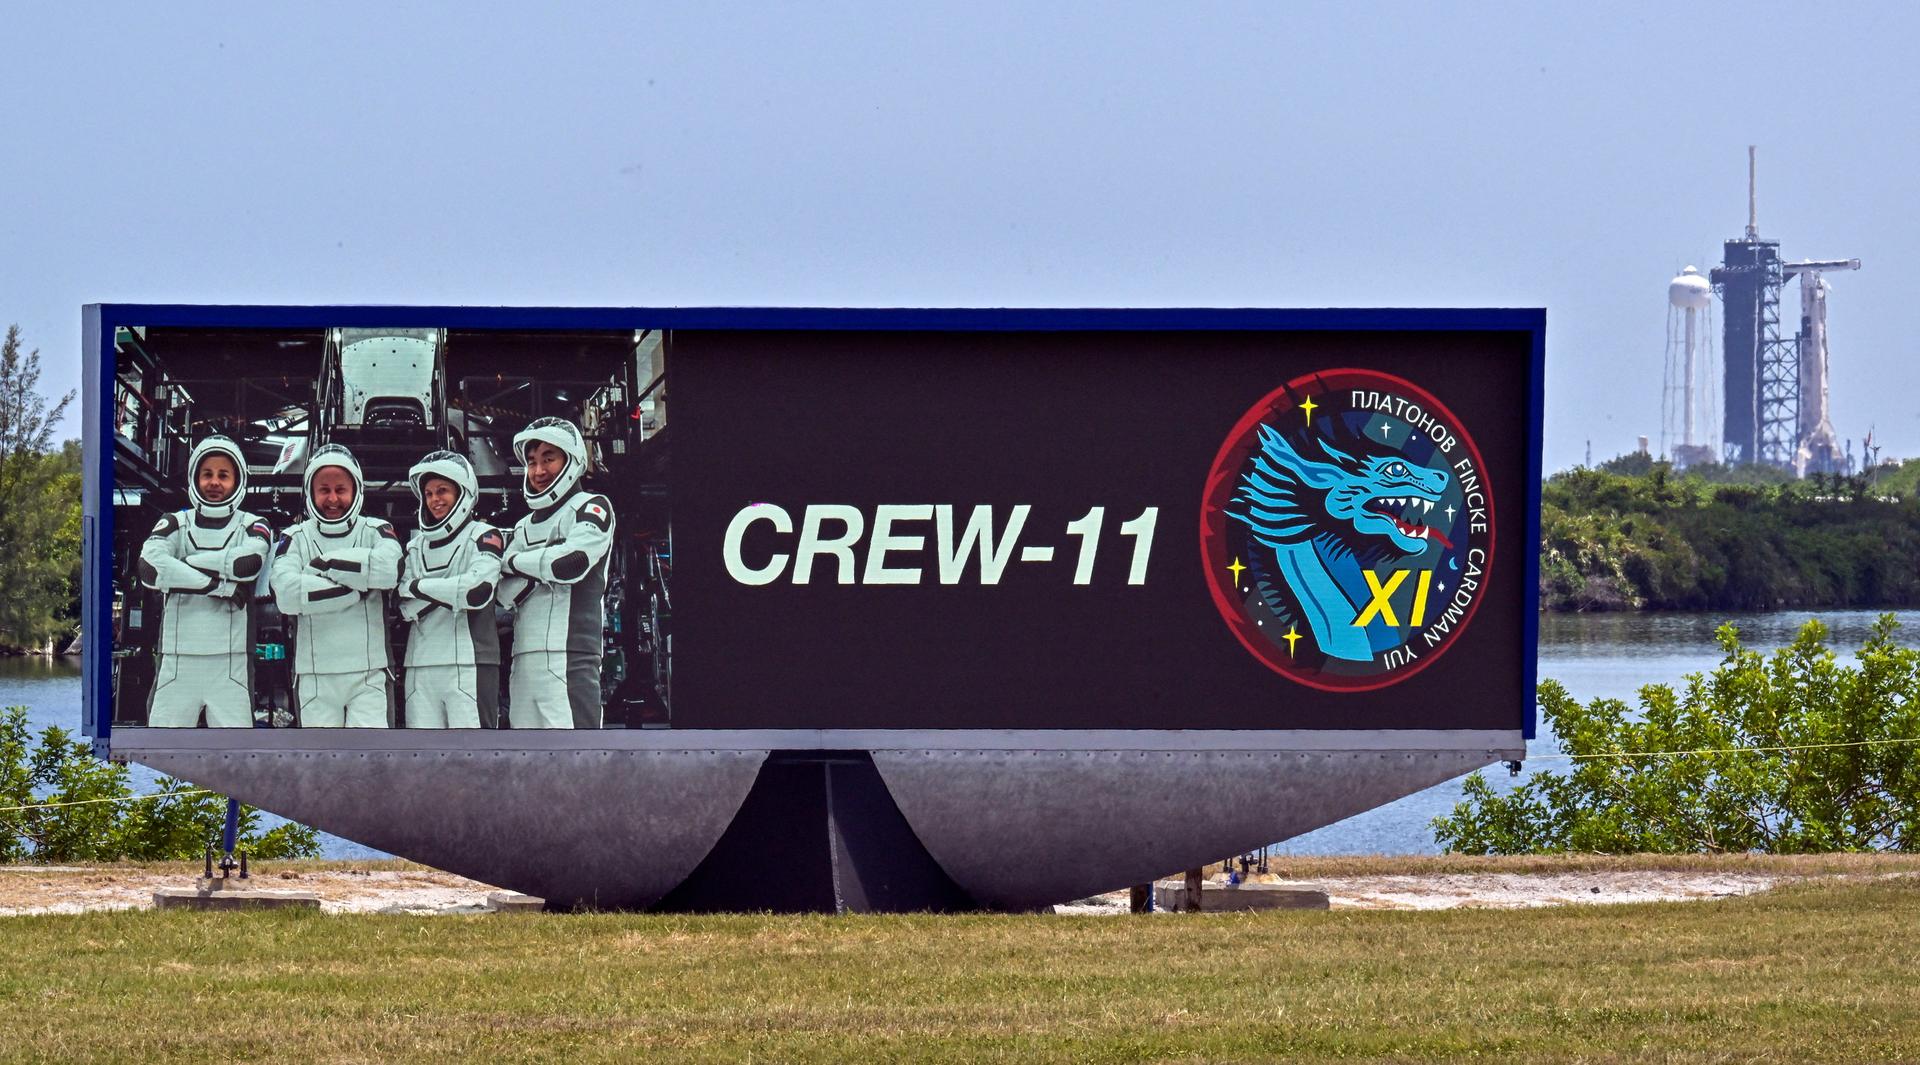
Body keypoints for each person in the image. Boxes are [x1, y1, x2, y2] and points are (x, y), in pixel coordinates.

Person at [138, 435, 272, 727]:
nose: (214, 482)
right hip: (177, 660)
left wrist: (183, 565)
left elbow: (246, 565)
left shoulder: (253, 524)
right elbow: (150, 568)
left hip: (231, 663)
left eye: (223, 475)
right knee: (163, 752)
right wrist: (219, 587)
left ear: (238, 480)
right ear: (194, 478)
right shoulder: (174, 521)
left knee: (235, 757)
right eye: (207, 474)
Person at [270, 443, 402, 727]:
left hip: (368, 675)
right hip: (314, 676)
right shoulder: (294, 535)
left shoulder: (376, 529)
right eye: (324, 490)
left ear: (355, 490)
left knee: (371, 763)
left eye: (340, 489)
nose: (332, 499)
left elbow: (389, 570)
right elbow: (286, 593)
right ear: (310, 492)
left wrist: (321, 567)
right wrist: (354, 588)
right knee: (318, 766)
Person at [495, 417, 615, 729]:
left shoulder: (592, 506)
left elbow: (570, 563)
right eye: (532, 461)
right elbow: (504, 593)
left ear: (571, 460)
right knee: (526, 763)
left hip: (570, 659)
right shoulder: (523, 526)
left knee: (578, 764)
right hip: (523, 661)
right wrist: (542, 562)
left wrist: (516, 563)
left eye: (549, 459)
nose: (538, 471)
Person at [397, 450, 504, 728]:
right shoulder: (414, 546)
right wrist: (450, 589)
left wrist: (418, 586)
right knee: (423, 758)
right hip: (419, 665)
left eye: (442, 490)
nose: (435, 500)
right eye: (429, 493)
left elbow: (476, 591)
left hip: (470, 663)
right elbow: (404, 605)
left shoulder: (485, 535)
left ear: (463, 493)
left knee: (475, 756)